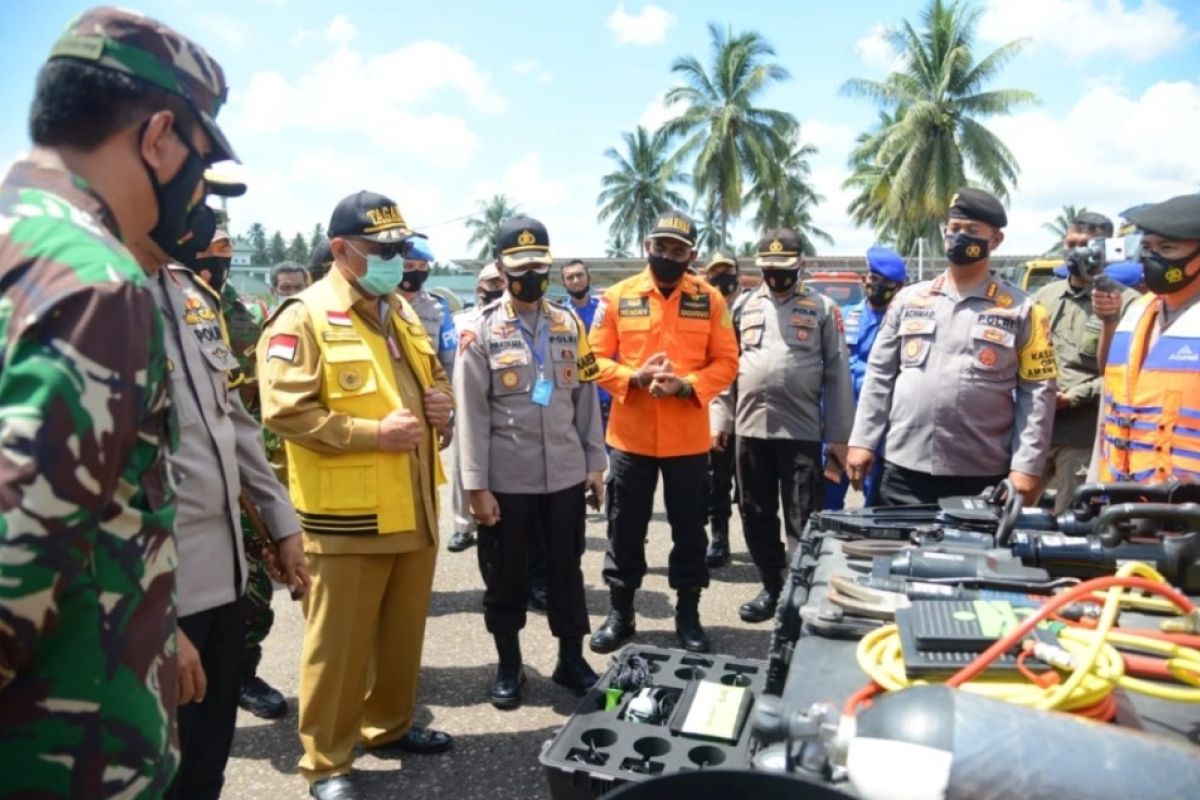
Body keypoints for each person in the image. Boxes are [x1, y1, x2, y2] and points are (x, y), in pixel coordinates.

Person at [0, 9, 234, 796]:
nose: (198, 188)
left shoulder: (15, 237)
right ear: (159, 135)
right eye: (200, 159)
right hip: (68, 752)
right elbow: (13, 567)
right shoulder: (98, 281)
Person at [257, 191, 454, 800]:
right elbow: (284, 412)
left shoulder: (400, 310)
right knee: (336, 648)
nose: (395, 259)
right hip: (345, 517)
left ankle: (388, 726)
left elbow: (432, 378)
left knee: (401, 635)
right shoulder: (303, 316)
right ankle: (326, 762)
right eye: (381, 250)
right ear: (340, 250)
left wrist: (440, 406)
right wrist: (374, 433)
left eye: (400, 248)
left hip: (414, 504)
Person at [153, 208, 309, 800]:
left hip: (224, 582)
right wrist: (154, 621)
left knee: (206, 765)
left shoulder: (193, 298)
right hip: (158, 595)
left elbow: (235, 423)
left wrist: (281, 521)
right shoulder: (89, 299)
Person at [456, 216, 607, 709]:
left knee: (566, 570)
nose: (530, 277)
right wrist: (475, 487)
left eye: (539, 266)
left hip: (564, 475)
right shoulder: (479, 332)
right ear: (502, 269)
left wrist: (594, 462)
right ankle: (509, 663)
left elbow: (585, 400)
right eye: (519, 268)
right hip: (508, 480)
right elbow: (472, 418)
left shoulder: (569, 324)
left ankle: (571, 658)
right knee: (506, 574)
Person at [847, 188, 1058, 507]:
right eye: (954, 229)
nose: (960, 238)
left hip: (981, 475)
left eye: (972, 231)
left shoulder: (1024, 309)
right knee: (896, 556)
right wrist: (862, 441)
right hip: (904, 469)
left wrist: (1025, 468)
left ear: (996, 240)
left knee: (977, 557)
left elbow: (1038, 392)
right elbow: (879, 375)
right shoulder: (909, 299)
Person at [588, 209, 739, 654]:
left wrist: (687, 385)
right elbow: (591, 359)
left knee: (690, 530)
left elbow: (727, 362)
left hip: (688, 439)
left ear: (691, 254)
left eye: (678, 250)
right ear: (647, 248)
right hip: (630, 438)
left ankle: (688, 613)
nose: (668, 256)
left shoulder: (710, 299)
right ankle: (621, 613)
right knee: (624, 528)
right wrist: (633, 377)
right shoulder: (616, 297)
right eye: (661, 248)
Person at [188, 177, 297, 723]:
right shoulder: (172, 301)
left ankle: (242, 672)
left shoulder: (244, 308)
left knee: (254, 586)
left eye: (223, 251)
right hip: (196, 480)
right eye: (208, 251)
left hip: (247, 463)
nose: (215, 261)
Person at [711, 230, 854, 623]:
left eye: (783, 268)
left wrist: (840, 437)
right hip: (750, 428)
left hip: (801, 431)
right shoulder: (742, 307)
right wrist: (720, 418)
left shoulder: (822, 308)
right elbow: (727, 365)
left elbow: (838, 374)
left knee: (802, 515)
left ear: (800, 266)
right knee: (754, 511)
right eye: (768, 269)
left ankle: (800, 587)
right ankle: (771, 585)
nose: (775, 276)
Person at [1034, 213, 1138, 511]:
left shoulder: (1127, 303)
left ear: (1105, 249)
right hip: (1037, 432)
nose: (1075, 252)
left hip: (1083, 440)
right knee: (1011, 513)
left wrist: (1075, 397)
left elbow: (1123, 374)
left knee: (1071, 522)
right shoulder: (1044, 296)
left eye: (1085, 245)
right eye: (1070, 243)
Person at [1097, 194, 1200, 483]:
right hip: (1124, 503)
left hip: (1187, 509)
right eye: (1147, 247)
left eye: (1167, 248)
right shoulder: (1139, 312)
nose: (1152, 257)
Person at [824, 246, 907, 510]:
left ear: (899, 287)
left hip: (881, 434)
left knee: (879, 512)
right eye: (874, 278)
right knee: (826, 507)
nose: (878, 285)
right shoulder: (843, 317)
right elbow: (826, 373)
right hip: (839, 430)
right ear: (865, 279)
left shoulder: (905, 325)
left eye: (886, 282)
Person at [446, 265, 508, 554]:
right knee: (464, 466)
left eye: (500, 280)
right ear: (478, 285)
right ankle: (462, 526)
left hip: (501, 403)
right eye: (490, 280)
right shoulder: (461, 320)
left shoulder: (510, 317)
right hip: (465, 403)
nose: (495, 285)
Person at [703, 252, 742, 567]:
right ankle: (719, 537)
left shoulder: (752, 307)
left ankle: (759, 540)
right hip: (716, 409)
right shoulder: (702, 311)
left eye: (727, 273)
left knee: (751, 482)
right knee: (717, 480)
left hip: (751, 409)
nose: (722, 280)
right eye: (716, 274)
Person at [399, 236, 457, 378]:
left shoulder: (438, 307)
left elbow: (449, 360)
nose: (417, 271)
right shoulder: (380, 302)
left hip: (429, 391)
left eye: (422, 266)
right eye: (409, 266)